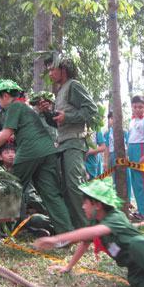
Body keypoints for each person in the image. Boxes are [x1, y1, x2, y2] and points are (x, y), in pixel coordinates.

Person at [0, 79, 74, 234]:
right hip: (47, 151)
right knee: (51, 194)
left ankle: (2, 232)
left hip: (30, 152)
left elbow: (6, 135)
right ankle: (67, 234)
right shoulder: (24, 108)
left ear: (5, 96)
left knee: (12, 189)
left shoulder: (14, 107)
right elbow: (5, 131)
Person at [44, 57, 97, 229]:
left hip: (75, 142)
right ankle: (75, 227)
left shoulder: (73, 85)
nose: (50, 73)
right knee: (66, 188)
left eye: (53, 69)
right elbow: (58, 122)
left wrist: (68, 117)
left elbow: (91, 110)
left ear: (63, 69)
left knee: (75, 185)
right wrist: (48, 113)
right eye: (48, 70)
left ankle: (87, 228)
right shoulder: (60, 91)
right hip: (63, 143)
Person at [128, 95, 144, 220]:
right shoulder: (131, 121)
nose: (138, 109)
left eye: (140, 107)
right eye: (135, 107)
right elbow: (130, 138)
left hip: (142, 149)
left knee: (143, 182)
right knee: (135, 182)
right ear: (132, 107)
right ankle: (140, 210)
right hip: (132, 150)